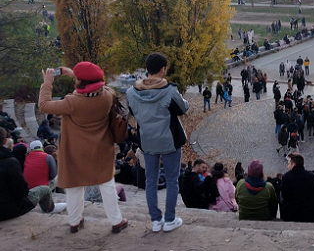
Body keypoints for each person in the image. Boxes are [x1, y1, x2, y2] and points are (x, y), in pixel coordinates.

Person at [38, 63, 127, 233]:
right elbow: (100, 87)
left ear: (81, 83)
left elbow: (44, 104)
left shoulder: (71, 102)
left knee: (73, 186)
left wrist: (47, 82)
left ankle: (74, 222)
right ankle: (116, 221)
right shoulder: (107, 96)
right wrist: (75, 75)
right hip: (100, 150)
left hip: (74, 152)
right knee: (107, 185)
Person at [127, 53, 189, 233]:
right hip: (169, 141)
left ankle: (155, 220)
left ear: (147, 69)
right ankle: (169, 219)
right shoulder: (169, 91)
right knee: (171, 181)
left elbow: (133, 111)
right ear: (163, 70)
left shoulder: (132, 92)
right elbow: (183, 108)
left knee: (151, 181)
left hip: (147, 141)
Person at [0, 128, 66, 222]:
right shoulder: (10, 161)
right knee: (46, 188)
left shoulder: (27, 158)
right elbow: (22, 191)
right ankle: (50, 208)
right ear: (5, 141)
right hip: (10, 210)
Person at [280, 153, 314, 222]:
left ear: (293, 164)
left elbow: (284, 196)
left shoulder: (286, 177)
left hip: (290, 215)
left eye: (288, 164)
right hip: (310, 215)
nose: (287, 166)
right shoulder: (312, 177)